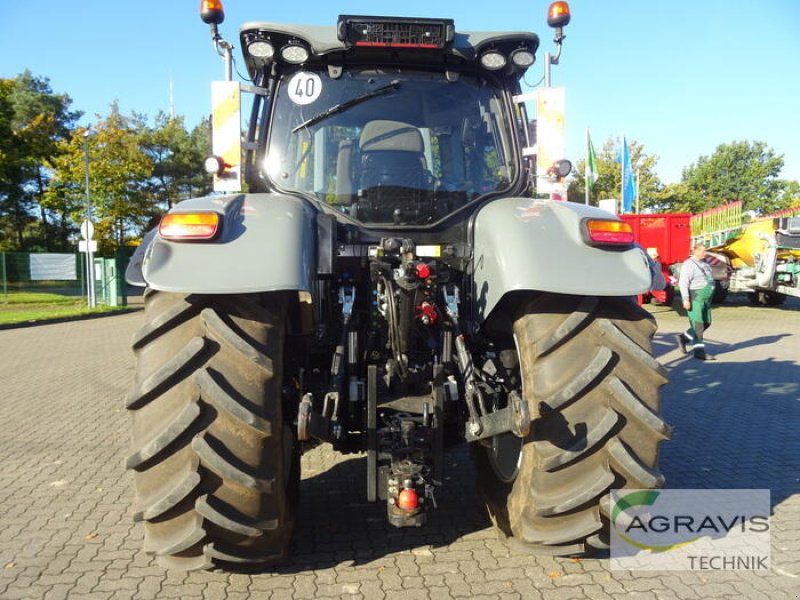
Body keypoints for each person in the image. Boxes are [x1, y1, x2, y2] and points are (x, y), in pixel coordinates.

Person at [677, 243, 716, 360]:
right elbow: (683, 283)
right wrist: (685, 299)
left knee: (706, 323)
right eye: (703, 251)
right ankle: (699, 352)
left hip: (705, 300)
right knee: (698, 325)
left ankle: (683, 338)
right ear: (696, 251)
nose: (705, 253)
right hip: (695, 299)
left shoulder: (705, 263)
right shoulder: (689, 264)